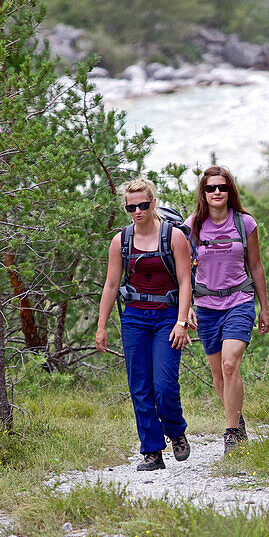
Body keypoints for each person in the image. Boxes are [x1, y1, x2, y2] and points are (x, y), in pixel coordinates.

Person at [95, 177, 192, 471]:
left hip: (167, 317)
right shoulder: (121, 241)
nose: (138, 211)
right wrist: (101, 326)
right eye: (131, 207)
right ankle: (151, 451)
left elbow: (186, 281)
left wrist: (182, 321)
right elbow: (111, 285)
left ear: (153, 203)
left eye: (143, 205)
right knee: (140, 386)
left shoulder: (173, 237)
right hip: (135, 318)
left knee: (164, 385)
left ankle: (176, 430)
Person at [185, 165, 269, 453]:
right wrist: (185, 310)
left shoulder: (244, 223)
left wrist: (264, 307)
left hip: (239, 301)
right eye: (211, 188)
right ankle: (238, 419)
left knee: (230, 364)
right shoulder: (192, 225)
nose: (217, 192)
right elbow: (183, 272)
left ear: (230, 190)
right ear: (203, 193)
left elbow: (256, 266)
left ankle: (231, 433)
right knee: (218, 376)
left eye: (222, 187)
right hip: (206, 306)